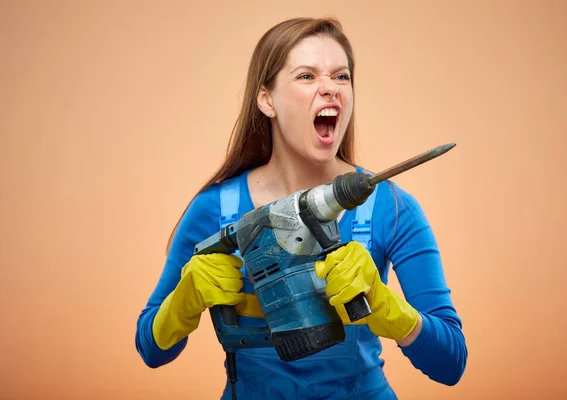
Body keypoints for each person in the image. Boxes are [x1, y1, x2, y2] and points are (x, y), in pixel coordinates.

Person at [135, 17, 467, 399]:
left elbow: (451, 363)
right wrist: (184, 300)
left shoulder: (391, 207)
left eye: (341, 77)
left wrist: (387, 307)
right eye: (307, 76)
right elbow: (151, 351)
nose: (329, 89)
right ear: (266, 99)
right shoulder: (215, 208)